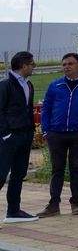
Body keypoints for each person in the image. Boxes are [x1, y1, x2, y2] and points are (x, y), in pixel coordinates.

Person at [39, 52, 78, 216]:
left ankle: (76, 203)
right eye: (64, 64)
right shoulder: (55, 85)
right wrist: (46, 129)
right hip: (56, 133)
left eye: (70, 64)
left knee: (76, 168)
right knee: (56, 169)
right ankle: (53, 205)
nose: (67, 67)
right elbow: (46, 108)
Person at [1, 52, 38, 222]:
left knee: (19, 173)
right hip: (9, 137)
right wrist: (5, 134)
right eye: (32, 64)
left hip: (25, 135)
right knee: (1, 174)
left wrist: (31, 131)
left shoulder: (28, 85)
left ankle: (13, 211)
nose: (33, 67)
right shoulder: (5, 85)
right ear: (23, 65)